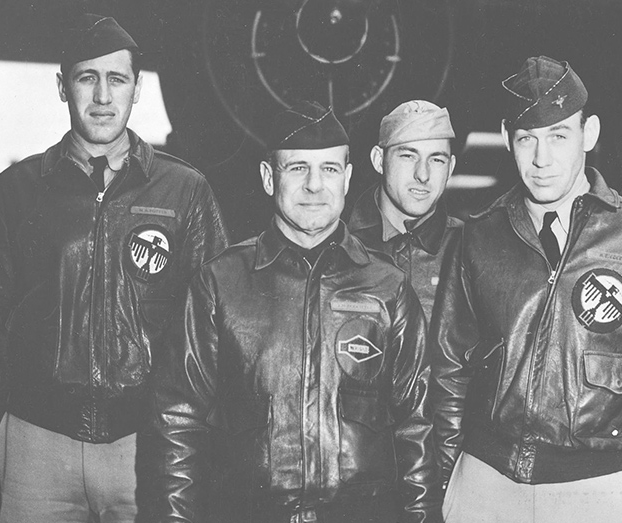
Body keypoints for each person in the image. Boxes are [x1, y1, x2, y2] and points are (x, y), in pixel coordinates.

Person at [0, 13, 229, 523]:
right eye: (87, 78)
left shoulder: (185, 192)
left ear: (138, 89)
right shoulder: (17, 192)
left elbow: (217, 335)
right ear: (63, 87)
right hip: (37, 450)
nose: (102, 96)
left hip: (147, 449)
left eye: (117, 79)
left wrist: (210, 456)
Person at [430, 56, 622, 523]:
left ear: (590, 133)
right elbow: (447, 373)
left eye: (559, 136)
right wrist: (436, 491)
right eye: (527, 139)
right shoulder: (478, 237)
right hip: (485, 481)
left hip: (596, 490)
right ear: (506, 140)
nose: (542, 159)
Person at [138, 101, 440, 523]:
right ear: (268, 178)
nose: (315, 185)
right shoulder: (219, 284)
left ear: (349, 178)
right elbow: (176, 423)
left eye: (330, 169)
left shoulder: (388, 289)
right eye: (298, 168)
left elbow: (417, 428)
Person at [347, 100, 462, 318]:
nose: (423, 174)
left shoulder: (471, 251)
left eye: (437, 159)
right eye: (408, 156)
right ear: (378, 160)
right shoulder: (341, 247)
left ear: (451, 168)